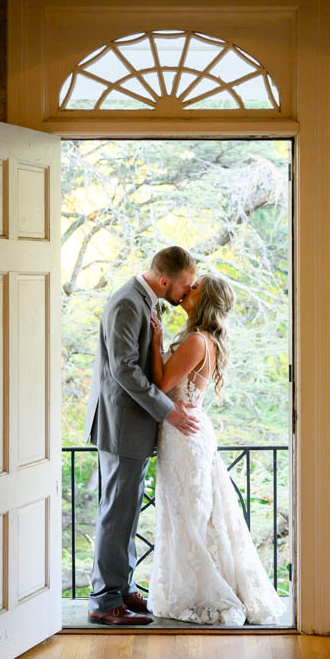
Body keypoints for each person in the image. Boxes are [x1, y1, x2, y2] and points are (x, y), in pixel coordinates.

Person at [146, 273, 283, 626]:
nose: (188, 290)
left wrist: (156, 340)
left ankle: (203, 593)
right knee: (194, 514)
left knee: (188, 517)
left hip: (183, 435)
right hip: (186, 430)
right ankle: (196, 585)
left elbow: (162, 383)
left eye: (195, 289)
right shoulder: (204, 339)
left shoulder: (196, 341)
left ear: (204, 302)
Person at [84, 246, 201, 625]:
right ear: (165, 280)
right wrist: (168, 411)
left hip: (134, 424)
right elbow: (124, 370)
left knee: (128, 510)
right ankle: (104, 602)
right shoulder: (127, 303)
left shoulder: (145, 301)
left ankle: (123, 586)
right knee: (116, 513)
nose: (187, 292)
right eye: (185, 285)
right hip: (121, 425)